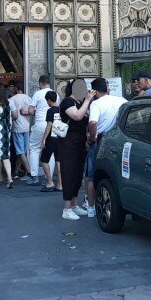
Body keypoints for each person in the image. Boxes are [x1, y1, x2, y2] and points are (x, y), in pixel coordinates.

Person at [84, 77, 127, 216]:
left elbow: (92, 123)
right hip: (118, 141)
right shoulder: (122, 100)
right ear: (107, 88)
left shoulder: (96, 104)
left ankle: (91, 208)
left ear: (95, 91)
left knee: (91, 176)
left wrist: (91, 138)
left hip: (100, 141)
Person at [58, 78, 95, 220]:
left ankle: (74, 205)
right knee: (69, 173)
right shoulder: (67, 102)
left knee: (78, 174)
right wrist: (87, 100)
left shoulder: (80, 103)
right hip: (68, 143)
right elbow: (77, 116)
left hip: (80, 143)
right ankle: (66, 209)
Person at [27, 74, 53, 185]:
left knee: (34, 148)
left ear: (41, 83)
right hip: (52, 125)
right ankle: (49, 177)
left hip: (40, 124)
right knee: (50, 151)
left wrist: (36, 111)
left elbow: (30, 110)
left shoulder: (38, 94)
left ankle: (34, 175)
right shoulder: (54, 93)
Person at [8, 81, 34, 181]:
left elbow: (12, 114)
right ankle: (16, 172)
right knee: (23, 151)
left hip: (17, 128)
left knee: (20, 152)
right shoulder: (28, 98)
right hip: (26, 127)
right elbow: (32, 111)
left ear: (15, 88)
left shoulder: (12, 99)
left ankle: (29, 172)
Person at [37, 90, 62, 192]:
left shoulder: (50, 111)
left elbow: (49, 125)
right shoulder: (62, 109)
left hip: (51, 138)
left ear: (49, 100)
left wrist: (43, 139)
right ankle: (60, 184)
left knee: (44, 160)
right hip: (61, 138)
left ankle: (50, 182)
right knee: (59, 161)